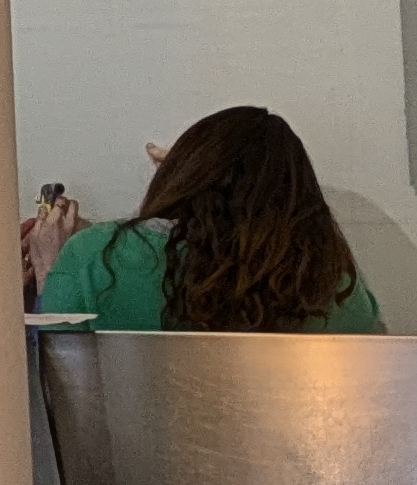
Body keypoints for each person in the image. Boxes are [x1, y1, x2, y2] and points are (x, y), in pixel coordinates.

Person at [36, 105, 384, 333]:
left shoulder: (93, 257)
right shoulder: (334, 286)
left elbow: (52, 387)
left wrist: (50, 269)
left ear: (182, 175)